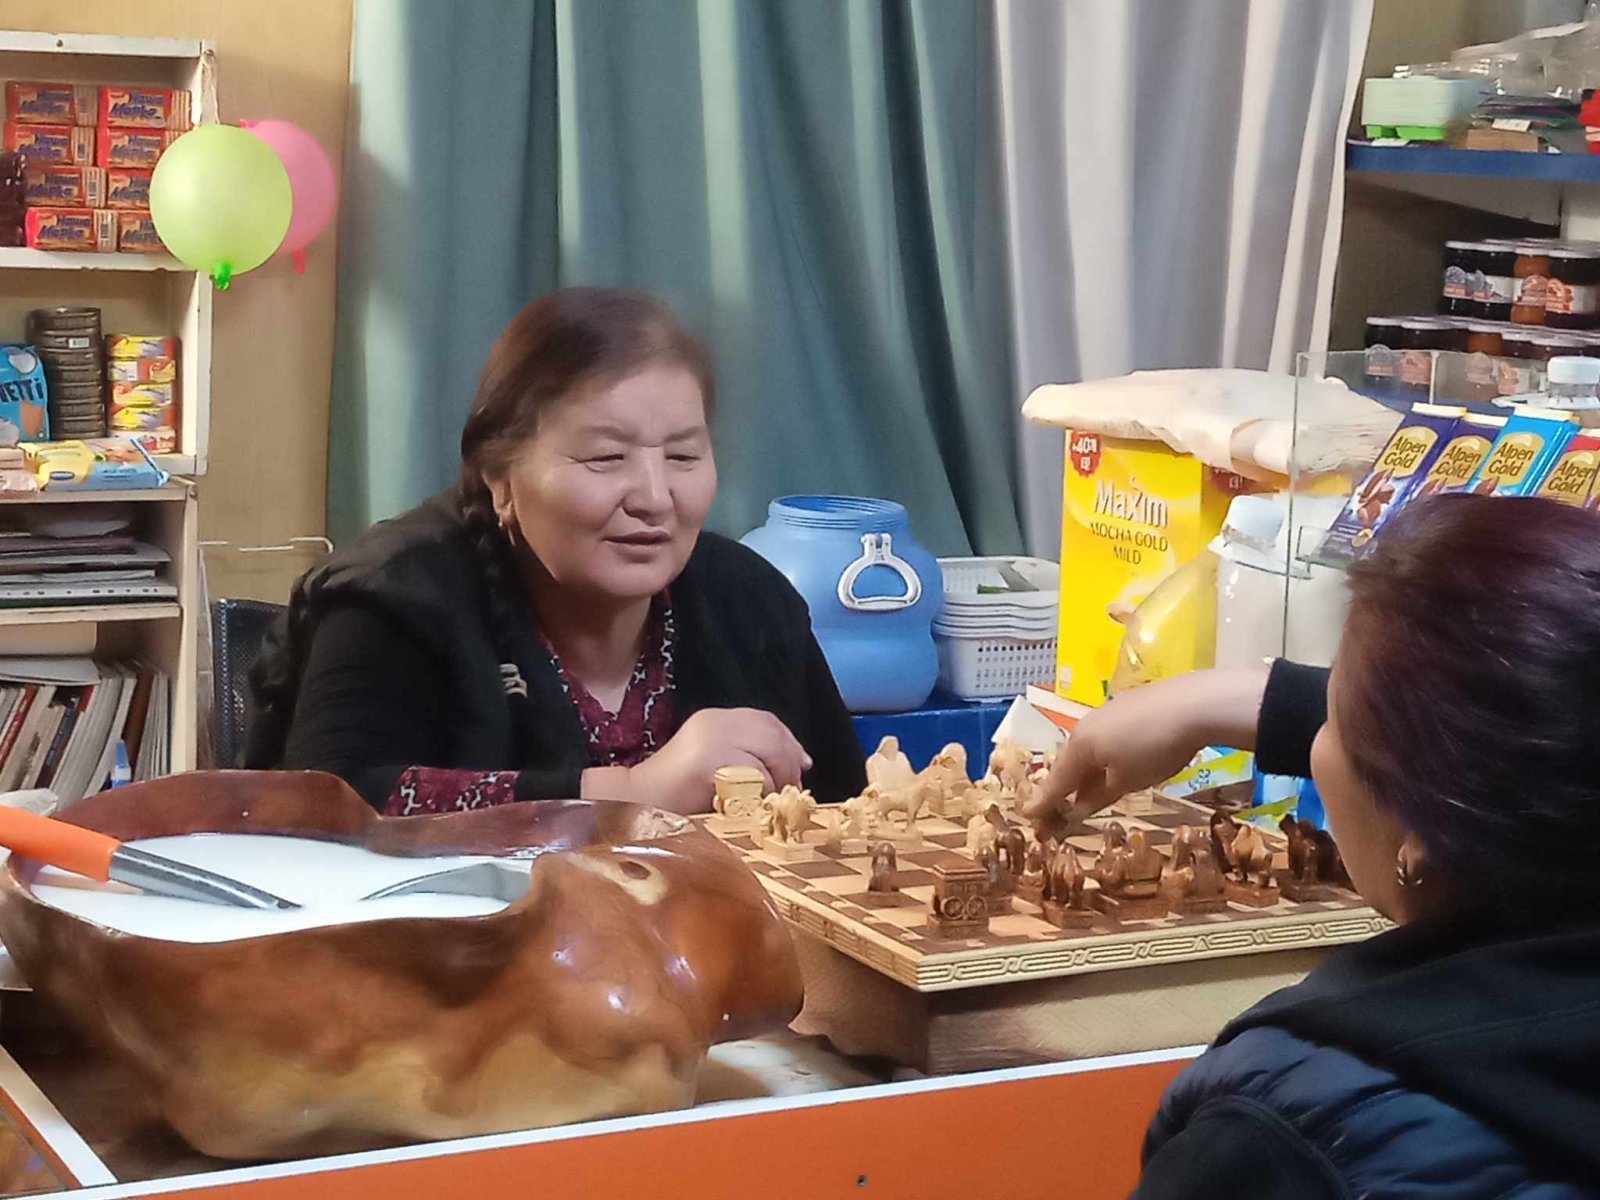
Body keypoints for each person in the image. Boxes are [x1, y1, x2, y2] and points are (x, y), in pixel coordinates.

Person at [1027, 493, 1600, 1199]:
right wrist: (1226, 702)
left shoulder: (1284, 1143)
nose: (1315, 741)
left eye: (1332, 720)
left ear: (1418, 833)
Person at [246, 288, 865, 816]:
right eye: (606, 457)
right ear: (499, 478)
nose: (655, 498)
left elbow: (846, 809)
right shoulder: (396, 597)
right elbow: (326, 805)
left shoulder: (750, 600)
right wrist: (627, 795)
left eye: (682, 456)